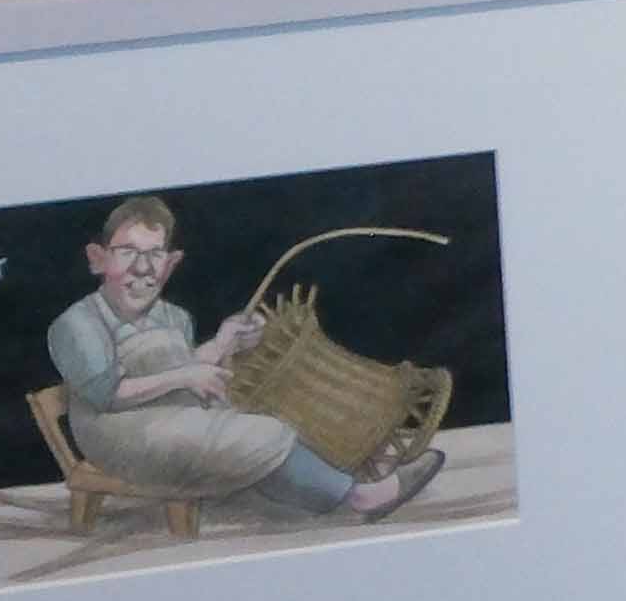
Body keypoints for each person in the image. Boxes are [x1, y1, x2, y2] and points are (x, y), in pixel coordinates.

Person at [40, 197, 440, 525]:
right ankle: (363, 498)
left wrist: (224, 342)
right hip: (116, 434)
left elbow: (180, 368)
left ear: (170, 262)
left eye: (154, 254)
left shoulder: (174, 316)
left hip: (168, 416)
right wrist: (187, 375)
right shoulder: (78, 323)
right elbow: (108, 394)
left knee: (255, 421)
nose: (142, 268)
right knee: (255, 433)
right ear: (98, 258)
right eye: (128, 252)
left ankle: (336, 483)